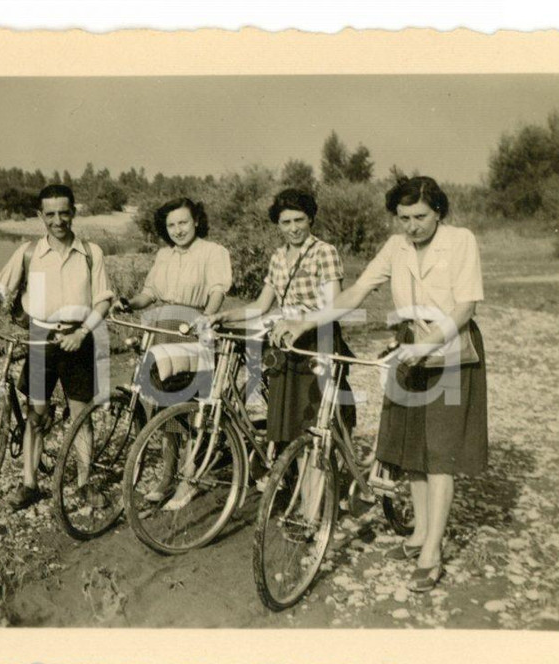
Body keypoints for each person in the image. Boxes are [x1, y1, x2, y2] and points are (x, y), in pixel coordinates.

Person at [274, 175, 488, 593]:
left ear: (439, 211)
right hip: (410, 342)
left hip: (449, 344)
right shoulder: (396, 247)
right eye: (404, 217)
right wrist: (306, 321)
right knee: (413, 449)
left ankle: (434, 552)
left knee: (440, 452)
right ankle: (420, 534)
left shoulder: (461, 241)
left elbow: (465, 307)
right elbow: (355, 291)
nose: (412, 225)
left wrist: (426, 344)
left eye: (420, 217)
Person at [0, 184, 114, 511]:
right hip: (41, 341)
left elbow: (103, 301)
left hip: (79, 340)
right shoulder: (28, 253)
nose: (57, 220)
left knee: (81, 416)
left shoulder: (91, 253)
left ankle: (84, 484)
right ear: (40, 216)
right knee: (35, 415)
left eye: (63, 213)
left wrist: (82, 333)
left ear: (74, 213)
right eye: (50, 214)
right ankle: (29, 484)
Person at [207, 188, 353, 513]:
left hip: (318, 342)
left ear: (311, 218)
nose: (293, 227)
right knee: (290, 426)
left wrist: (300, 322)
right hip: (286, 346)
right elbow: (261, 305)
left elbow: (333, 305)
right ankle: (306, 495)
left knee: (314, 425)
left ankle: (313, 508)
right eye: (285, 221)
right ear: (278, 224)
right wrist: (224, 315)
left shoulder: (324, 252)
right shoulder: (277, 257)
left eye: (299, 220)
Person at [116, 197, 232, 509]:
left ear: (196, 221)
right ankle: (168, 474)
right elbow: (149, 294)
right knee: (163, 404)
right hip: (162, 328)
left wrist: (206, 319)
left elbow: (217, 290)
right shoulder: (163, 255)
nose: (177, 230)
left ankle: (189, 478)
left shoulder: (213, 252)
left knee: (190, 405)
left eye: (183, 222)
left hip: (192, 328)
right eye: (171, 225)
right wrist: (129, 302)